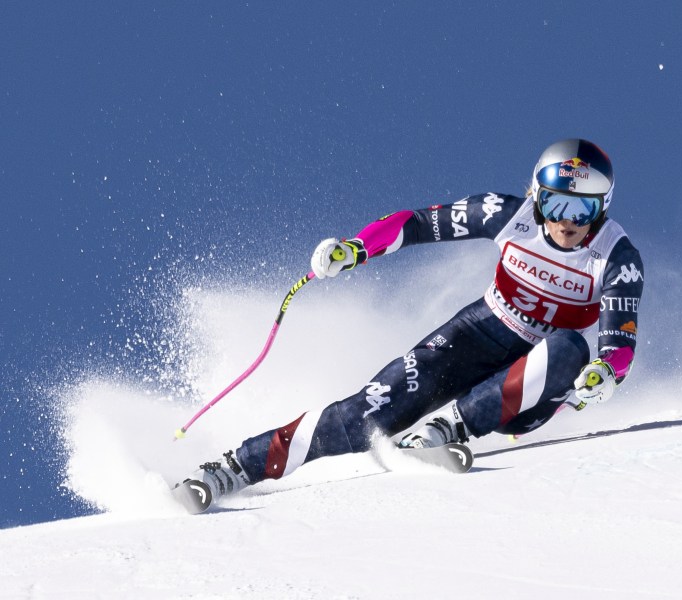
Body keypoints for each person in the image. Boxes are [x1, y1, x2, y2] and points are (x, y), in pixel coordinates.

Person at [174, 138, 644, 513]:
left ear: (602, 208)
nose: (569, 223)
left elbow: (618, 338)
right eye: (559, 206)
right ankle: (232, 469)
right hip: (477, 333)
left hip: (534, 383)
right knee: (365, 415)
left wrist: (606, 373)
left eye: (583, 210)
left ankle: (446, 428)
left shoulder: (616, 256)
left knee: (569, 349)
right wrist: (355, 248)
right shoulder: (508, 216)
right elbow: (419, 223)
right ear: (537, 200)